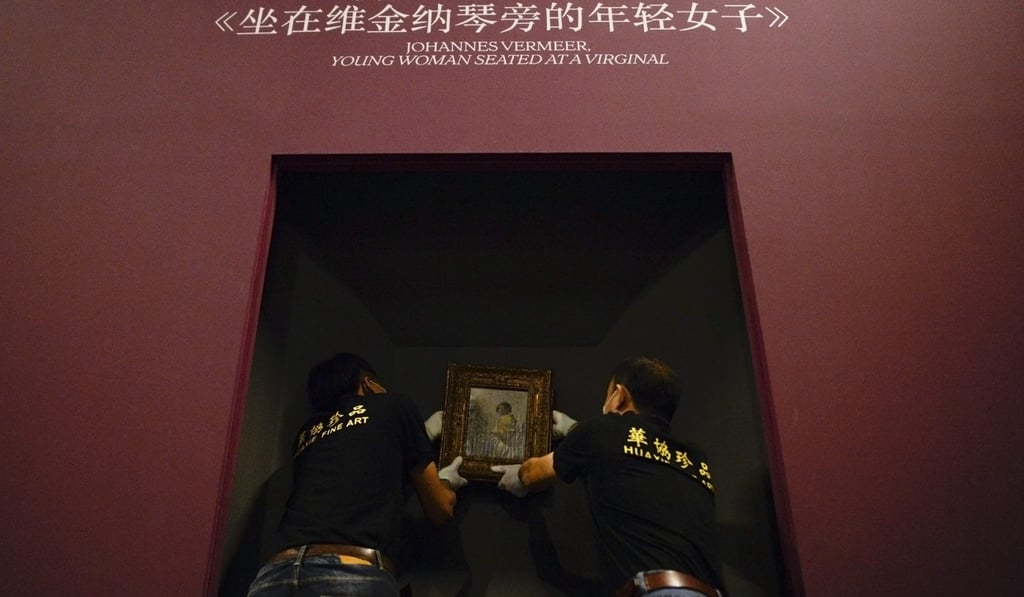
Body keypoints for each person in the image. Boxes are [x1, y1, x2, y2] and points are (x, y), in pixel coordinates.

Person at [492, 356, 724, 597]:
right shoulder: (696, 457)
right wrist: (575, 430)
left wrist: (517, 476)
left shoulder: (601, 431)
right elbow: (624, 454)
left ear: (619, 394)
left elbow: (532, 474)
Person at [247, 352, 467, 597]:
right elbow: (440, 509)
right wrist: (446, 479)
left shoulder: (307, 432)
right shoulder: (394, 404)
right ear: (368, 383)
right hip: (350, 574)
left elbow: (363, 468)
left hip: (275, 576)